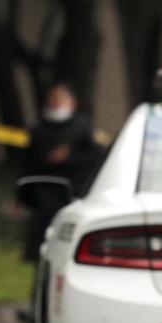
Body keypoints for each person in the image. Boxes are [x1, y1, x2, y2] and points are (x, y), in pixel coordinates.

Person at [20, 84, 104, 260]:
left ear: (72, 102)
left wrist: (68, 158)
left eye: (61, 98)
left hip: (74, 188)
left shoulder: (82, 127)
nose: (56, 103)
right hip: (44, 191)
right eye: (53, 98)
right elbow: (28, 161)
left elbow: (94, 157)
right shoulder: (39, 129)